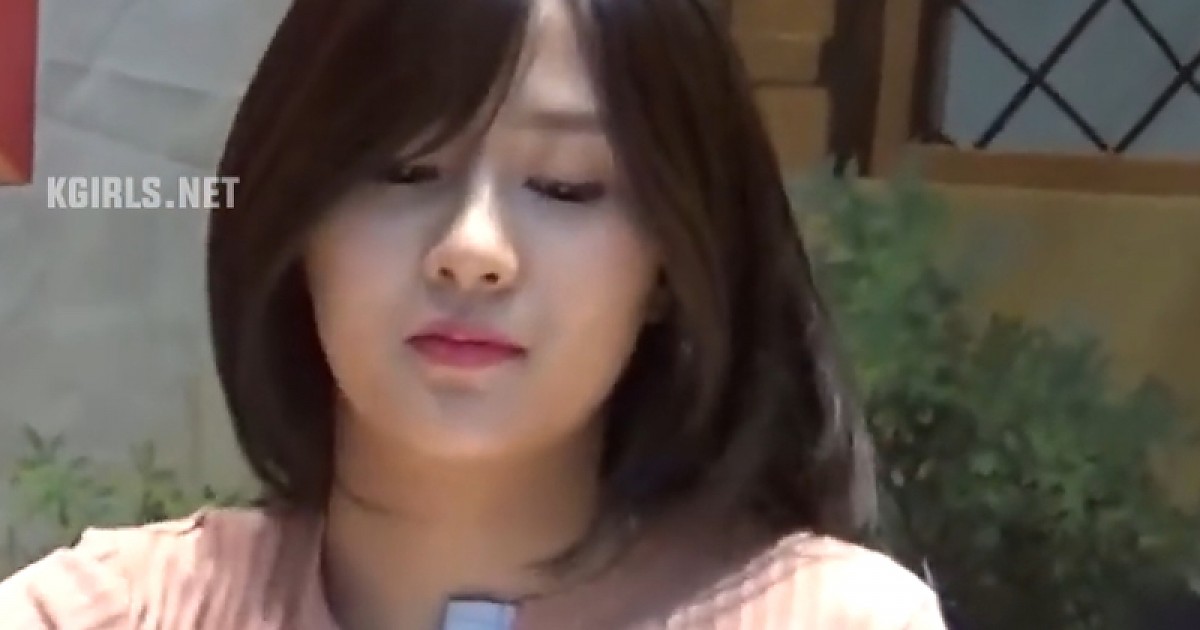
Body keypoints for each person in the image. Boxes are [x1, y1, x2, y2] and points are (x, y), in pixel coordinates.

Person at [0, 0, 946, 627]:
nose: (473, 248)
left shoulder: (833, 620)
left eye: (567, 186)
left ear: (669, 261)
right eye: (406, 171)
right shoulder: (104, 614)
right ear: (297, 222)